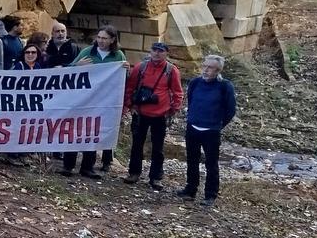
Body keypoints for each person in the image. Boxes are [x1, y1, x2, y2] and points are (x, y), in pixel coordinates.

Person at [60, 25, 127, 179]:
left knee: (93, 132)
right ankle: (68, 165)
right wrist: (77, 66)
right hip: (82, 99)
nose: (101, 41)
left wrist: (126, 69)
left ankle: (87, 167)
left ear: (112, 40)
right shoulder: (87, 52)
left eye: (104, 38)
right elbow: (68, 72)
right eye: (99, 37)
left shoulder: (118, 56)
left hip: (102, 101)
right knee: (75, 130)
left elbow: (122, 79)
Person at [122, 42, 184, 189]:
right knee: (137, 145)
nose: (157, 53)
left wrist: (172, 110)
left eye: (160, 51)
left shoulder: (171, 70)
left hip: (160, 115)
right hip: (140, 112)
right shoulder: (140, 67)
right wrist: (131, 105)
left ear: (166, 53)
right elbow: (129, 87)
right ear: (150, 51)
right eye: (154, 50)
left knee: (158, 147)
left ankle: (155, 177)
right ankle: (134, 173)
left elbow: (177, 92)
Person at [179, 54, 237, 207]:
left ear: (218, 70)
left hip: (211, 131)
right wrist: (192, 118)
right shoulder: (195, 82)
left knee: (211, 164)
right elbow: (191, 101)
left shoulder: (225, 86)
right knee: (192, 160)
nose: (205, 70)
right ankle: (190, 189)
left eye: (210, 68)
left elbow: (230, 110)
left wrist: (217, 125)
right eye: (204, 66)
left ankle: (210, 195)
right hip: (193, 127)